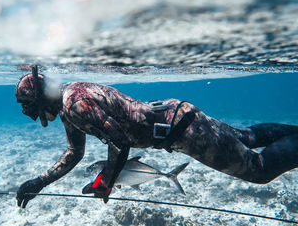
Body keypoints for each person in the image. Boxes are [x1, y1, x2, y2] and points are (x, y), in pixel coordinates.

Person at [15, 66, 298, 208]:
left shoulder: (74, 103)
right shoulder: (68, 105)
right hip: (179, 117)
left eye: (28, 106)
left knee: (257, 168)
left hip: (183, 131)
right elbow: (74, 153)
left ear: (40, 98)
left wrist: (107, 184)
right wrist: (40, 183)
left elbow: (120, 142)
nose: (30, 114)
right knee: (245, 137)